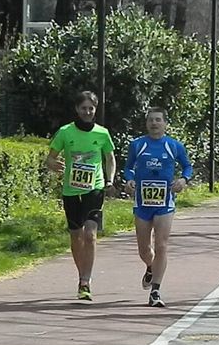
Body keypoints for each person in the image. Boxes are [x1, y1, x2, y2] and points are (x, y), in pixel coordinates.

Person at [46, 91, 116, 301]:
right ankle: (81, 276)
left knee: (90, 234)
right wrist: (52, 164)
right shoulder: (65, 132)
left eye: (91, 108)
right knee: (76, 236)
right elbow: (50, 159)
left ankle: (86, 280)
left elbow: (110, 158)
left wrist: (110, 180)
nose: (87, 112)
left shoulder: (102, 134)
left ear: (95, 110)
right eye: (84, 108)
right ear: (77, 109)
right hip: (71, 190)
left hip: (94, 188)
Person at [124, 107, 193, 307]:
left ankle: (155, 291)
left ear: (165, 123)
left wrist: (183, 179)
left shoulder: (174, 145)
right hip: (142, 202)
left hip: (165, 202)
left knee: (161, 245)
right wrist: (129, 180)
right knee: (144, 249)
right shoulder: (137, 145)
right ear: (146, 124)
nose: (154, 124)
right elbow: (128, 167)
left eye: (158, 120)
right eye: (151, 120)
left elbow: (187, 166)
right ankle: (150, 266)